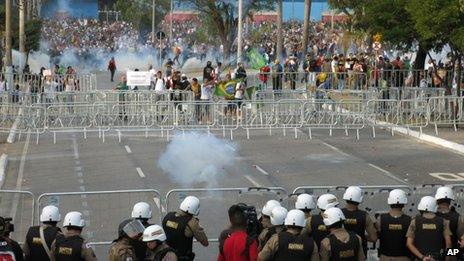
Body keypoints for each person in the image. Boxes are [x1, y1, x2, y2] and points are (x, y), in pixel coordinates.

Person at [162, 196, 208, 261]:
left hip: (166, 255)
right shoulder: (192, 222)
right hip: (182, 257)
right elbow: (205, 242)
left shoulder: (168, 216)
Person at [406, 196, 452, 261]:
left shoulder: (414, 221)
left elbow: (409, 244)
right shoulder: (443, 221)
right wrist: (447, 258)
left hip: (420, 258)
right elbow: (449, 243)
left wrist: (422, 257)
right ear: (435, 207)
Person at [375, 189, 412, 261]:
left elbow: (375, 236)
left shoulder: (380, 219)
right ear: (404, 203)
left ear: (389, 202)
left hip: (386, 258)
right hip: (404, 258)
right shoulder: (410, 220)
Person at [341, 186, 377, 256]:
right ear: (360, 199)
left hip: (342, 253)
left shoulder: (338, 213)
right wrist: (362, 237)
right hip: (360, 253)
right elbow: (373, 238)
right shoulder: (365, 216)